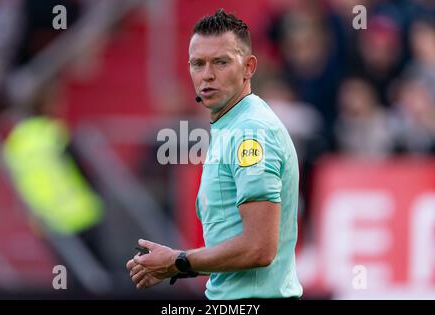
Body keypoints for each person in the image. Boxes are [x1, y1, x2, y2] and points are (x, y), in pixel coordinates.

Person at [126, 9, 303, 300]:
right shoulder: (230, 125)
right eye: (198, 64)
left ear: (249, 67)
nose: (207, 75)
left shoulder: (251, 132)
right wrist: (177, 265)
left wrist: (177, 261)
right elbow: (235, 244)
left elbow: (259, 248)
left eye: (221, 62)